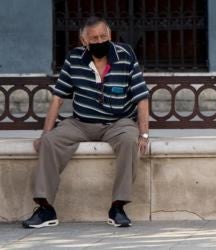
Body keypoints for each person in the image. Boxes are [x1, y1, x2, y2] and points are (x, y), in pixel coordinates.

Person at [22, 16, 151, 229]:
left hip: (118, 122)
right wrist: (45, 133)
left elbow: (141, 96)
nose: (100, 41)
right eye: (94, 38)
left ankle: (118, 207)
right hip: (80, 122)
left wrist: (144, 134)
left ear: (110, 36)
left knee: (131, 141)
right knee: (50, 142)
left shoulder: (125, 55)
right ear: (84, 41)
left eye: (103, 36)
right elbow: (58, 97)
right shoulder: (74, 58)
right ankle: (45, 209)